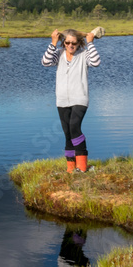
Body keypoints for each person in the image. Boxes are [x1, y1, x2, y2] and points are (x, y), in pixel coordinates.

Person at [41, 27, 102, 173]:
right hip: (62, 100)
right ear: (64, 43)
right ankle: (70, 168)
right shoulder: (59, 54)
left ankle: (82, 167)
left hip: (80, 98)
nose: (70, 46)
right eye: (67, 42)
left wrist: (91, 43)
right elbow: (45, 62)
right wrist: (53, 43)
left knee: (74, 127)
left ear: (79, 43)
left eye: (73, 43)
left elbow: (96, 62)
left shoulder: (84, 55)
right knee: (67, 132)